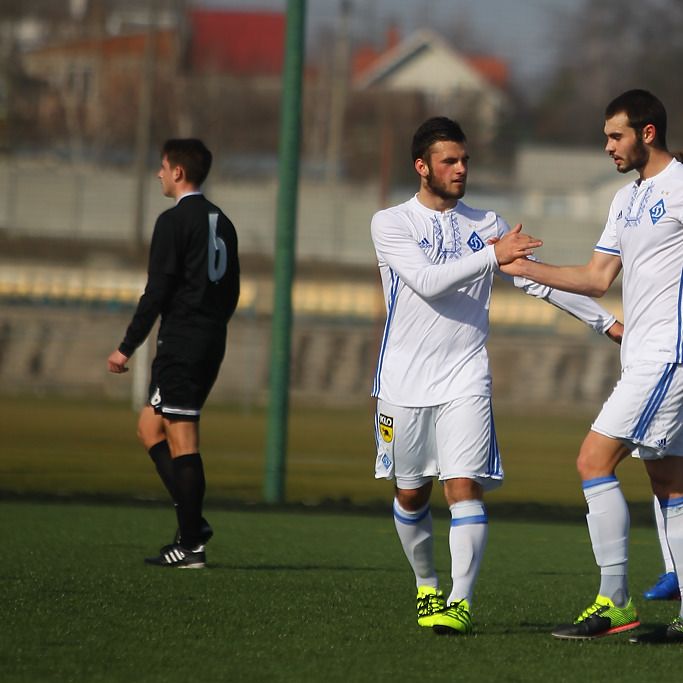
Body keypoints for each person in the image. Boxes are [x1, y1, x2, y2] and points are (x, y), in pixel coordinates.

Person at [370, 117, 622, 635]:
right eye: (449, 161)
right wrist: (491, 254)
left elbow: (536, 281)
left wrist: (609, 323)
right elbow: (424, 281)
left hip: (466, 376)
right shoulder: (390, 223)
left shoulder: (487, 223)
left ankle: (458, 604)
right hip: (402, 382)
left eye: (464, 160)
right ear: (422, 168)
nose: (461, 169)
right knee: (412, 493)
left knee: (463, 487)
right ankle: (426, 587)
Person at [501, 89, 683, 644]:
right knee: (669, 482)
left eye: (615, 136)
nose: (607, 147)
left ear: (647, 133)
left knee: (592, 459)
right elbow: (596, 278)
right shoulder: (625, 200)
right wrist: (525, 267)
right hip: (644, 357)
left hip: (669, 357)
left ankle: (614, 600)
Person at [108, 138, 240, 568]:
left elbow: (158, 291)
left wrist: (126, 346)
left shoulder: (172, 221)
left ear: (179, 172)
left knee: (182, 437)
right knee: (150, 426)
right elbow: (232, 290)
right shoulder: (223, 222)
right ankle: (193, 526)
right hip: (209, 338)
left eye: (163, 167)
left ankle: (192, 543)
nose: (159, 174)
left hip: (183, 340)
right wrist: (210, 326)